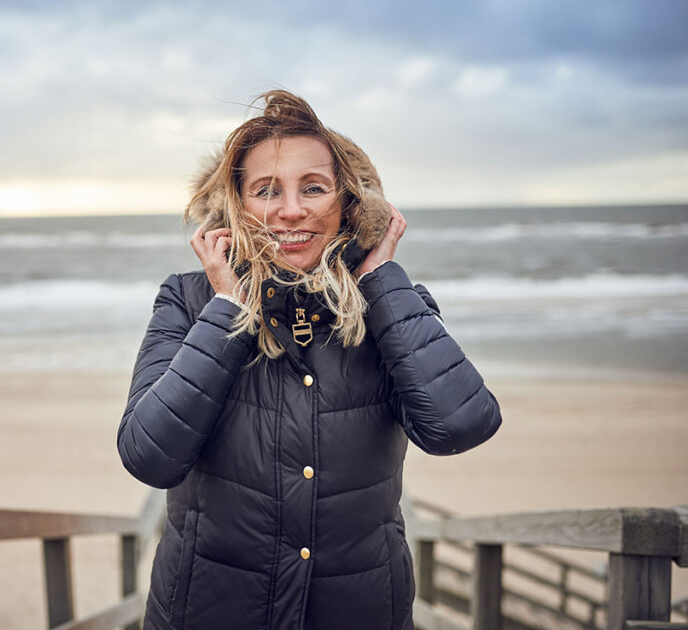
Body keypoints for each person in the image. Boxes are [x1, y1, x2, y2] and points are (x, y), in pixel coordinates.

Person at [117, 90, 502, 630]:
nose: (291, 210)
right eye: (266, 190)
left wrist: (381, 285)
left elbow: (460, 425)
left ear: (349, 204)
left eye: (314, 188)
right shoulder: (190, 301)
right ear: (236, 206)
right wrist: (229, 309)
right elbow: (148, 455)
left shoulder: (392, 306)